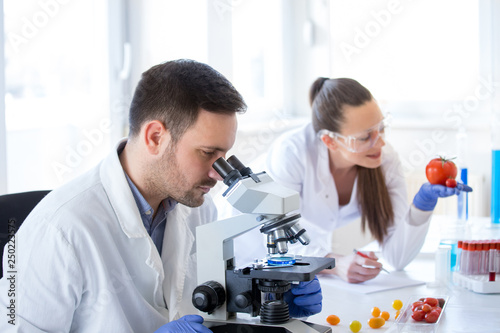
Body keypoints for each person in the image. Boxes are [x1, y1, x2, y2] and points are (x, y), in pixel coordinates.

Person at [0, 60, 322, 332]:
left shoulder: (198, 210)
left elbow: (210, 305)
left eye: (224, 157)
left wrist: (269, 302)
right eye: (208, 153)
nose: (217, 172)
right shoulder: (59, 230)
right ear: (155, 137)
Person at [231, 77, 472, 284]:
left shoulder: (383, 160)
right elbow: (280, 237)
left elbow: (397, 258)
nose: (380, 143)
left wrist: (423, 205)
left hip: (303, 260)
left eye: (381, 129)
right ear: (330, 141)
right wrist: (334, 264)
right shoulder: (292, 153)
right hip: (244, 250)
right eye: (365, 136)